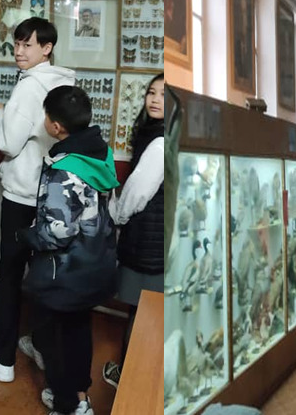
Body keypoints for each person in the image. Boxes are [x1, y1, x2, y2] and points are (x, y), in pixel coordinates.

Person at [0, 17, 77, 382]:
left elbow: (8, 142)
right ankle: (40, 345)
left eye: (27, 44)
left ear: (46, 48)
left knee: (10, 274)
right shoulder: (64, 81)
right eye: (17, 44)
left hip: (22, 195)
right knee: (44, 275)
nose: (19, 52)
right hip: (51, 194)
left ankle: (2, 358)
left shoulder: (29, 86)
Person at [22, 85, 120, 415]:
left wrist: (27, 236)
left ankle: (66, 405)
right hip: (95, 262)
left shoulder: (65, 166)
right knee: (78, 329)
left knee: (53, 339)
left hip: (65, 270)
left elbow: (58, 232)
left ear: (55, 126)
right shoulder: (100, 153)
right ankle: (81, 397)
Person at [102, 73, 165, 388]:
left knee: (142, 316)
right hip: (155, 240)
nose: (155, 99)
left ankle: (131, 384)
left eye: (164, 95)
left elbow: (137, 192)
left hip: (147, 243)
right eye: (151, 92)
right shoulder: (157, 135)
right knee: (148, 315)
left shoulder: (159, 141)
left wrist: (117, 215)